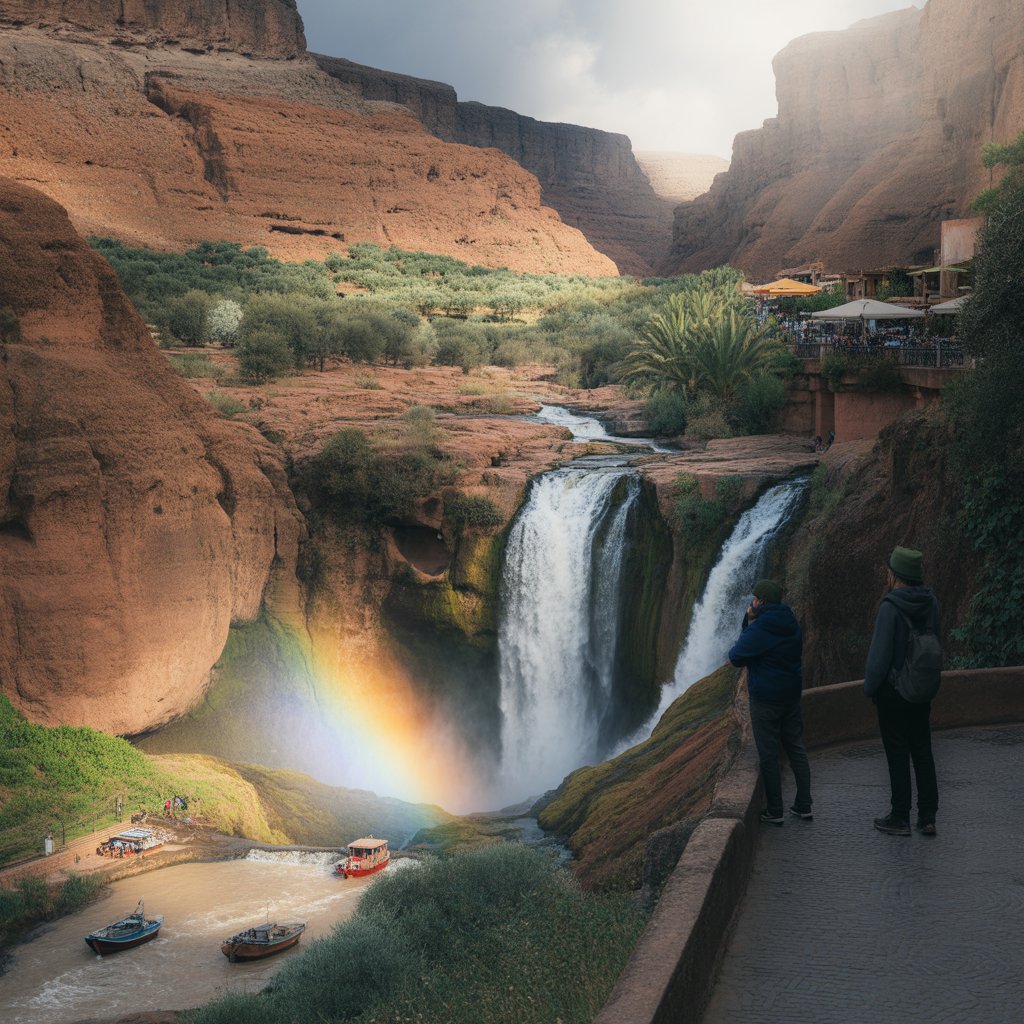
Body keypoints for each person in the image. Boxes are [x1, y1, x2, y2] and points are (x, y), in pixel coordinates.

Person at [863, 546, 941, 836]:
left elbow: (879, 656)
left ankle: (899, 817)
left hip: (894, 692)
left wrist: (870, 688)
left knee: (898, 753)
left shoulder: (890, 607)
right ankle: (928, 817)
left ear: (896, 576)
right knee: (922, 749)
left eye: (889, 571)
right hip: (922, 689)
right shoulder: (931, 602)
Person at [729, 579, 812, 825]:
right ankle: (804, 804)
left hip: (766, 698)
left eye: (755, 599)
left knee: (768, 752)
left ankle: (775, 810)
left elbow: (736, 656)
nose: (752, 602)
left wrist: (748, 620)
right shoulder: (791, 621)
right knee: (796, 747)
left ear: (761, 602)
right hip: (790, 695)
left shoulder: (761, 627)